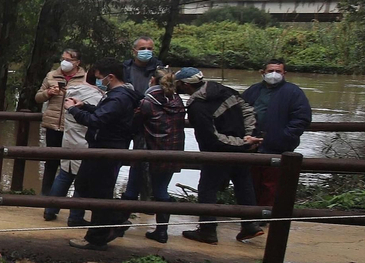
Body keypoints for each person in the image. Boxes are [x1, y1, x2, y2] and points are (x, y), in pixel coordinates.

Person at [173, 67, 264, 245]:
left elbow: (210, 137)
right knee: (244, 185)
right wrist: (248, 137)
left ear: (184, 85)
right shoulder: (224, 90)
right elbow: (248, 111)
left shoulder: (197, 106)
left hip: (218, 153)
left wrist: (242, 141)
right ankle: (250, 225)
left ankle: (207, 231)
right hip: (242, 148)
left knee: (207, 189)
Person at [63, 59, 140, 250]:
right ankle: (114, 220)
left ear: (110, 77)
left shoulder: (119, 97)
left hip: (108, 150)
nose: (98, 81)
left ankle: (97, 237)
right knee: (84, 185)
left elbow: (97, 121)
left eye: (99, 78)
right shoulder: (115, 95)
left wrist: (72, 110)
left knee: (100, 192)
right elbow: (104, 114)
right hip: (100, 147)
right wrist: (84, 106)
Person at [240, 60, 312, 206]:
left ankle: (265, 215)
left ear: (284, 73)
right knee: (249, 182)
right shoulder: (253, 90)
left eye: (278, 71)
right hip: (251, 145)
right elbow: (238, 111)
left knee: (271, 185)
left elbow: (302, 118)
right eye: (270, 70)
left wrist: (284, 136)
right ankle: (249, 214)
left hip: (277, 146)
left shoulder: (293, 92)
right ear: (263, 72)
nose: (274, 74)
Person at [42, 73, 104, 227]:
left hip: (69, 139)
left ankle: (50, 210)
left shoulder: (71, 91)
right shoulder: (97, 98)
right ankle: (75, 216)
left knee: (64, 174)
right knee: (82, 179)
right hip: (84, 142)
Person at [132, 70, 187, 243]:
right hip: (173, 151)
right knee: (162, 189)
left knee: (132, 188)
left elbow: (135, 122)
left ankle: (115, 228)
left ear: (152, 80)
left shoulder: (148, 102)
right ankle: (162, 231)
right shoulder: (177, 100)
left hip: (149, 151)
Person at [35, 48, 84, 211]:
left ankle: (71, 201)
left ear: (77, 62)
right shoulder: (51, 75)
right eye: (63, 59)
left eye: (69, 60)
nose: (65, 62)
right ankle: (46, 196)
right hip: (52, 125)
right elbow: (38, 97)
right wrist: (48, 93)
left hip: (74, 127)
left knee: (73, 164)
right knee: (51, 162)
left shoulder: (85, 78)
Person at [118, 37, 160, 203]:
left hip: (147, 121)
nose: (146, 51)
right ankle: (107, 195)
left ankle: (143, 197)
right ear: (134, 51)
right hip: (125, 118)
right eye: (142, 48)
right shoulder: (124, 68)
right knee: (116, 155)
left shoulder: (159, 69)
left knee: (143, 160)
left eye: (149, 48)